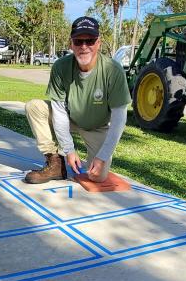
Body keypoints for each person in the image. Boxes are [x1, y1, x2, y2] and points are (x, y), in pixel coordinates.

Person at [24, 16, 131, 184]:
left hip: (97, 127)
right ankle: (55, 164)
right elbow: (59, 112)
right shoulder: (60, 67)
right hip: (69, 118)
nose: (84, 47)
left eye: (90, 41)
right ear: (71, 44)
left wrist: (102, 157)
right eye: (78, 41)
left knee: (98, 176)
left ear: (98, 43)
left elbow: (119, 119)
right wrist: (69, 150)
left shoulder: (113, 70)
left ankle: (94, 162)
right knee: (34, 107)